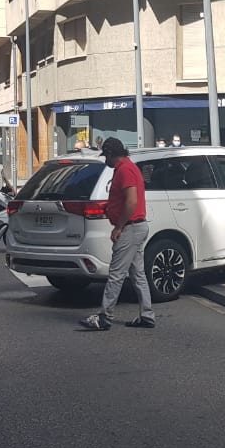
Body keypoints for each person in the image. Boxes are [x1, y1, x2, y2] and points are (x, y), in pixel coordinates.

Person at [79, 138, 156, 330]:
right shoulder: (127, 168)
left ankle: (105, 317)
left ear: (112, 154)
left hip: (130, 228)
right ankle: (147, 316)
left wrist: (119, 226)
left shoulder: (125, 170)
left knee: (116, 274)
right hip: (136, 227)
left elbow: (131, 201)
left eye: (106, 156)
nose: (106, 160)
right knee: (138, 274)